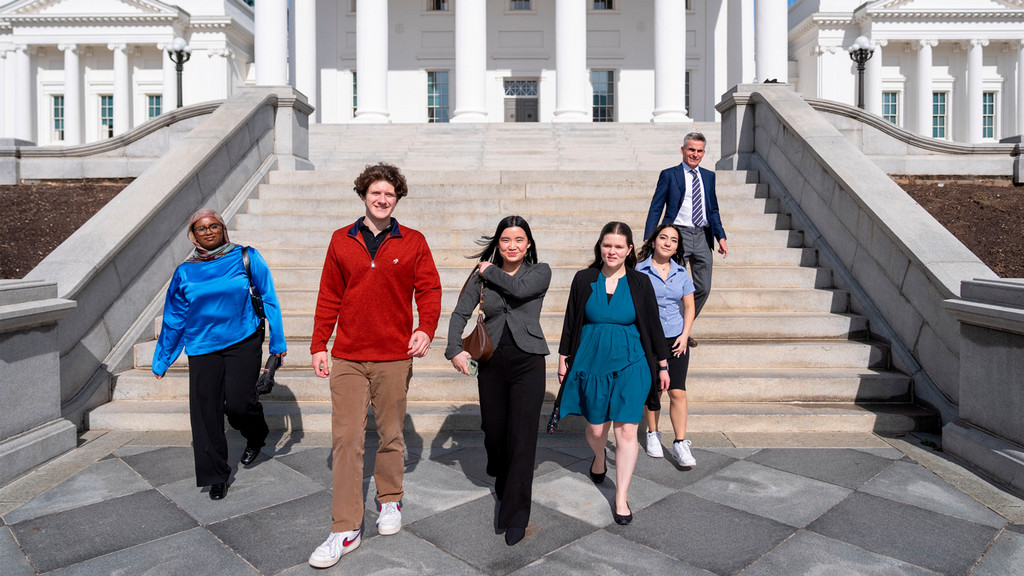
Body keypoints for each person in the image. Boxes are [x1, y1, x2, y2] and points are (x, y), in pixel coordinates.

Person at [307, 162, 442, 569]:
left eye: (389, 195)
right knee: (346, 439)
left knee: (390, 433)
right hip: (348, 355)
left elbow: (430, 288)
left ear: (397, 198)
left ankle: (389, 500)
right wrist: (319, 344)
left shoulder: (413, 241)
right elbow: (329, 294)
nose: (382, 200)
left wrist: (426, 329)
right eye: (375, 193)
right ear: (363, 196)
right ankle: (344, 527)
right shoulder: (340, 240)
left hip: (394, 357)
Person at [153, 208, 286, 501]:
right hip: (202, 346)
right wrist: (163, 358)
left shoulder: (246, 257)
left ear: (223, 229)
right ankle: (216, 475)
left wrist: (278, 342)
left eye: (214, 225)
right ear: (193, 235)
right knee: (205, 413)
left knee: (239, 404)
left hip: (243, 338)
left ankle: (256, 434)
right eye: (201, 228)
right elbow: (174, 318)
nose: (209, 231)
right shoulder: (184, 272)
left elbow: (269, 299)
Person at [446, 216, 551, 547]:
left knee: (522, 438)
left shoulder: (539, 271)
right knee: (494, 431)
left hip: (528, 362)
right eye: (506, 240)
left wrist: (487, 270)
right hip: (490, 360)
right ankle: (500, 468)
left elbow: (519, 289)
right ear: (498, 242)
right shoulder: (479, 277)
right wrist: (454, 350)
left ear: (528, 244)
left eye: (519, 240)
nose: (512, 246)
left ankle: (515, 514)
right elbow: (459, 313)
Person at [557, 221, 670, 525]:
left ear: (629, 250)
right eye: (607, 245)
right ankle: (598, 457)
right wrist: (563, 357)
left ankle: (621, 498)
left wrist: (661, 364)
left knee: (627, 431)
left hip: (632, 362)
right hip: (591, 361)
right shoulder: (584, 279)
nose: (612, 251)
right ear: (600, 246)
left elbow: (653, 325)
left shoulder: (640, 282)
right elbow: (571, 319)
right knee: (596, 430)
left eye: (619, 246)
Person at [643, 131, 728, 346]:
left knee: (703, 287)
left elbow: (713, 209)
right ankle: (675, 332)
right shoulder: (669, 175)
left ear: (704, 153)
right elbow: (656, 207)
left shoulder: (709, 177)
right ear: (683, 150)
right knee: (675, 287)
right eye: (691, 150)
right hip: (676, 235)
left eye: (699, 151)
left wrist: (721, 236)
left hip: (702, 235)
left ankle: (682, 327)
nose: (695, 154)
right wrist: (649, 237)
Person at [636, 224, 697, 466]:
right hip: (650, 340)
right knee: (655, 390)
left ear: (677, 246)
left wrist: (685, 335)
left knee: (678, 391)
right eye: (663, 237)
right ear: (653, 242)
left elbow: (690, 307)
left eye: (673, 240)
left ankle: (680, 443)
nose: (668, 242)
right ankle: (652, 433)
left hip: (676, 340)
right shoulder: (639, 271)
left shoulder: (682, 273)